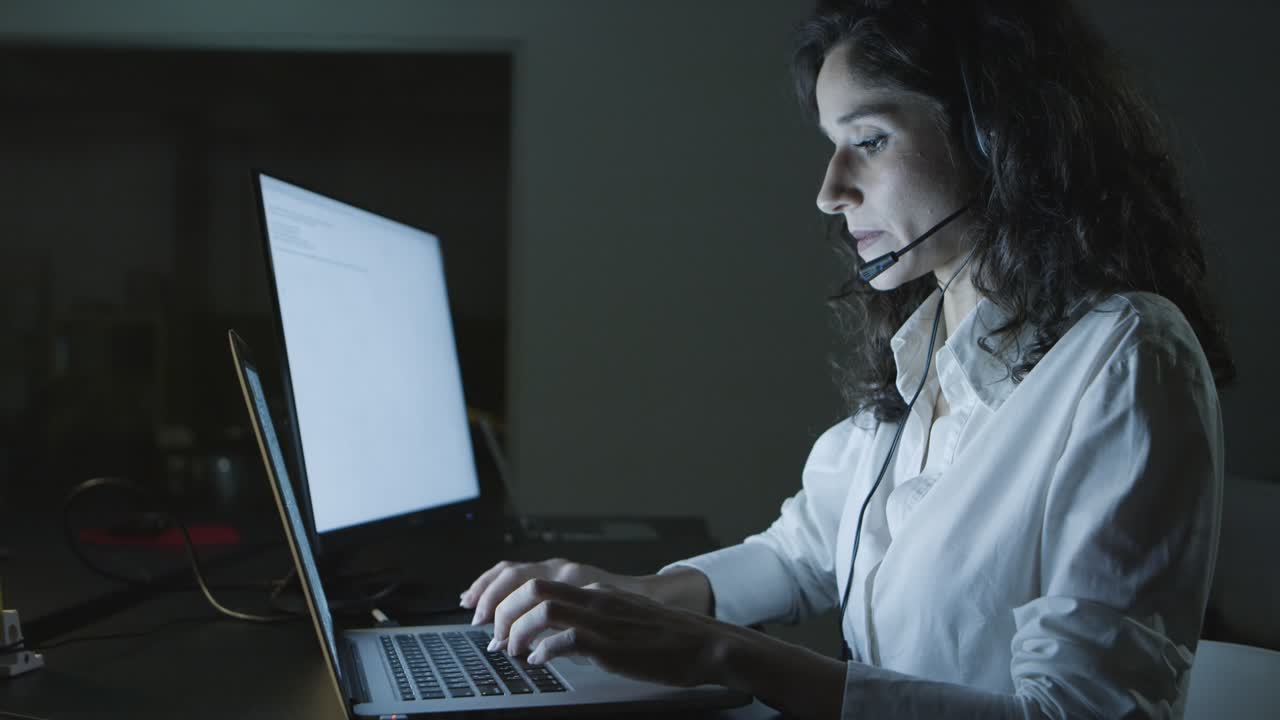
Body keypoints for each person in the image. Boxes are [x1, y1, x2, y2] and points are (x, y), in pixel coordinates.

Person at [459, 0, 1235, 717]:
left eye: (867, 141)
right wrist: (638, 594)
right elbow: (809, 550)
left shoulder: (1127, 356)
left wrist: (727, 654)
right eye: (833, 147)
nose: (830, 191)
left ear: (997, 136)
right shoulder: (925, 343)